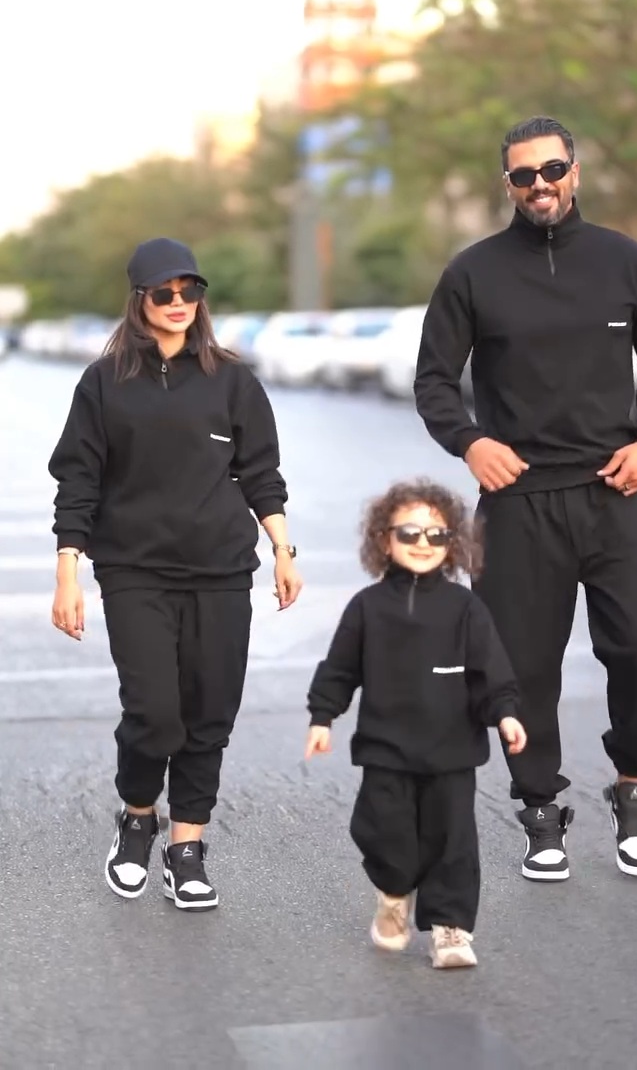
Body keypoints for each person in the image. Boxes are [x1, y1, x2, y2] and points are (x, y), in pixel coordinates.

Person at [414, 116, 637, 882]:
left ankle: (632, 787)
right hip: (518, 504)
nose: (540, 185)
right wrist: (470, 441)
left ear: (575, 171)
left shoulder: (628, 263)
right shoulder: (473, 273)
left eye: (552, 170)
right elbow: (434, 379)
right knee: (522, 671)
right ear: (507, 184)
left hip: (614, 492)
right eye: (523, 175)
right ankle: (540, 809)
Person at [49, 237, 302, 910]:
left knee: (210, 710)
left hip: (221, 569)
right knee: (155, 712)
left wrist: (282, 548)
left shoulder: (233, 380)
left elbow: (262, 473)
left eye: (190, 290)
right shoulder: (104, 382)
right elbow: (77, 479)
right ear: (139, 301)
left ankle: (186, 847)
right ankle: (138, 818)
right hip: (133, 569)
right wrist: (68, 570)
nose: (179, 303)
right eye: (164, 293)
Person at [304, 479, 526, 969]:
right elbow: (339, 669)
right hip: (386, 749)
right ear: (384, 540)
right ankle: (393, 892)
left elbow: (491, 670)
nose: (423, 543)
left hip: (452, 751)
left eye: (437, 534)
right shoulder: (367, 607)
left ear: (453, 544)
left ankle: (450, 928)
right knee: (384, 833)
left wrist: (506, 713)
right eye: (409, 533)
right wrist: (323, 717)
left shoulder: (465, 607)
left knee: (453, 843)